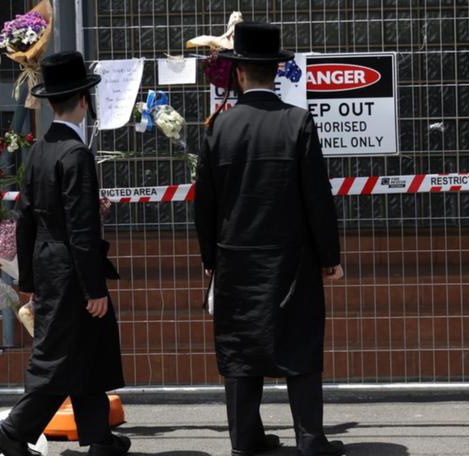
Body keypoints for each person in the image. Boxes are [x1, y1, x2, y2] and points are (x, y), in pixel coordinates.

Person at [195, 22, 346, 456]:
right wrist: (329, 256)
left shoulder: (216, 130)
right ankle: (310, 439)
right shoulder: (297, 122)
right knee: (299, 341)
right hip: (291, 257)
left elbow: (203, 204)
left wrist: (210, 257)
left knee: (241, 348)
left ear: (239, 73)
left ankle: (245, 439)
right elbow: (317, 197)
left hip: (235, 259)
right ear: (275, 72)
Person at [0, 51, 130, 456]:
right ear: (84, 100)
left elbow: (29, 216)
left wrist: (29, 278)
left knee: (86, 351)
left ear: (51, 103)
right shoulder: (76, 154)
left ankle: (100, 437)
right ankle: (11, 432)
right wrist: (95, 288)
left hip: (49, 263)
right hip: (73, 269)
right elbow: (81, 230)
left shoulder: (41, 149)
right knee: (60, 359)